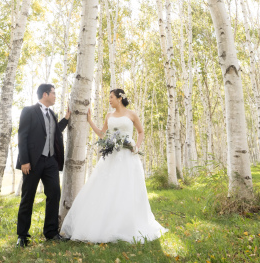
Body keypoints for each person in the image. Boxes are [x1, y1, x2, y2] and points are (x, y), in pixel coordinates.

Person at [59, 88, 166, 243]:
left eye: (111, 97)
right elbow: (103, 134)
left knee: (127, 189)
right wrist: (90, 121)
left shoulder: (132, 114)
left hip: (128, 157)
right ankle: (104, 225)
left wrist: (137, 147)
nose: (109, 100)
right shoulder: (109, 115)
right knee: (106, 189)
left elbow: (141, 132)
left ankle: (126, 225)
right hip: (112, 157)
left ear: (119, 98)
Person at [15, 83, 71, 247]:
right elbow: (22, 136)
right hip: (32, 162)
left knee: (54, 195)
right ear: (45, 94)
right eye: (53, 93)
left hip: (51, 162)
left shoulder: (52, 114)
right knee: (28, 198)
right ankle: (23, 236)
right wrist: (24, 160)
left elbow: (54, 131)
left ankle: (51, 233)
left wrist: (66, 119)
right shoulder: (29, 111)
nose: (55, 96)